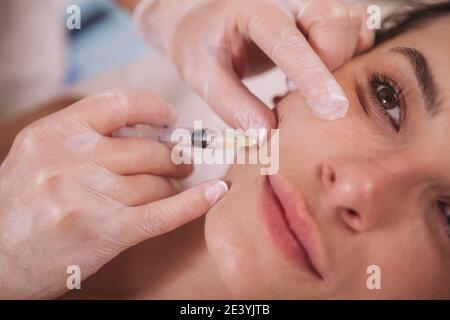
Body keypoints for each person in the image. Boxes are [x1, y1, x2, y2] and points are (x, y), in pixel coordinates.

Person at [62, 0, 450, 299]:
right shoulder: (70, 152)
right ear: (308, 74)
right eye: (387, 100)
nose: (353, 188)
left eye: (448, 215)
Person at [0, 0, 372, 299]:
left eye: (435, 211)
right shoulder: (55, 145)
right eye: (388, 101)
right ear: (289, 92)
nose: (356, 187)